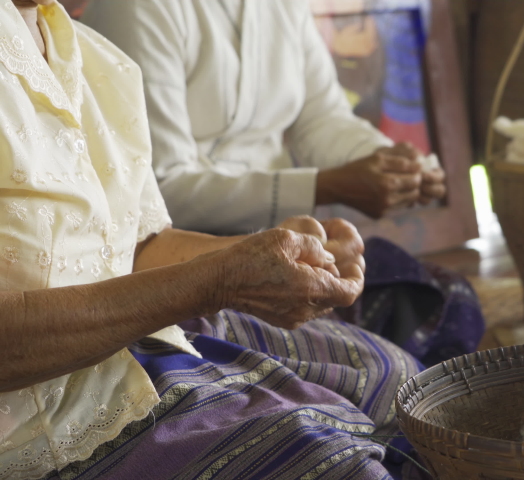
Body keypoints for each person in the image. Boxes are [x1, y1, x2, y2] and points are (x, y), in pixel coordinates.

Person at [0, 1, 423, 478]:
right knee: (339, 465)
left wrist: (278, 253)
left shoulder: (91, 55)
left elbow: (139, 245)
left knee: (400, 383)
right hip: (36, 423)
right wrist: (219, 280)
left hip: (127, 347)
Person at [81, 0, 485, 367]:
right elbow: (161, 189)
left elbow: (321, 118)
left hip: (284, 243)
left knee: (446, 299)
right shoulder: (138, 7)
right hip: (188, 262)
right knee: (377, 362)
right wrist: (324, 186)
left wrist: (390, 161)